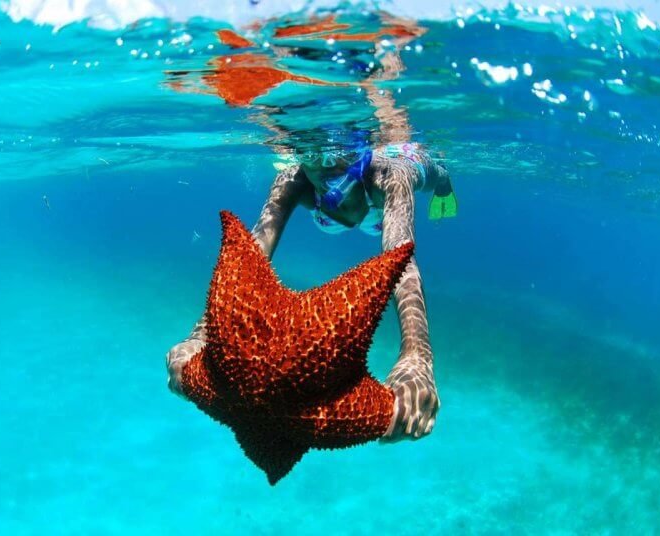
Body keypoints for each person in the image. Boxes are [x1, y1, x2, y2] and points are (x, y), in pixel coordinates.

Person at [166, 12, 456, 441]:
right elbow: (249, 258)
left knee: (434, 173)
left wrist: (418, 359)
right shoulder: (296, 178)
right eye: (309, 154)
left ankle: (447, 187)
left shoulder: (388, 176)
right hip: (335, 217)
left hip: (396, 181)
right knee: (321, 203)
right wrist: (200, 335)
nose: (321, 163)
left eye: (334, 157)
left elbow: (402, 265)